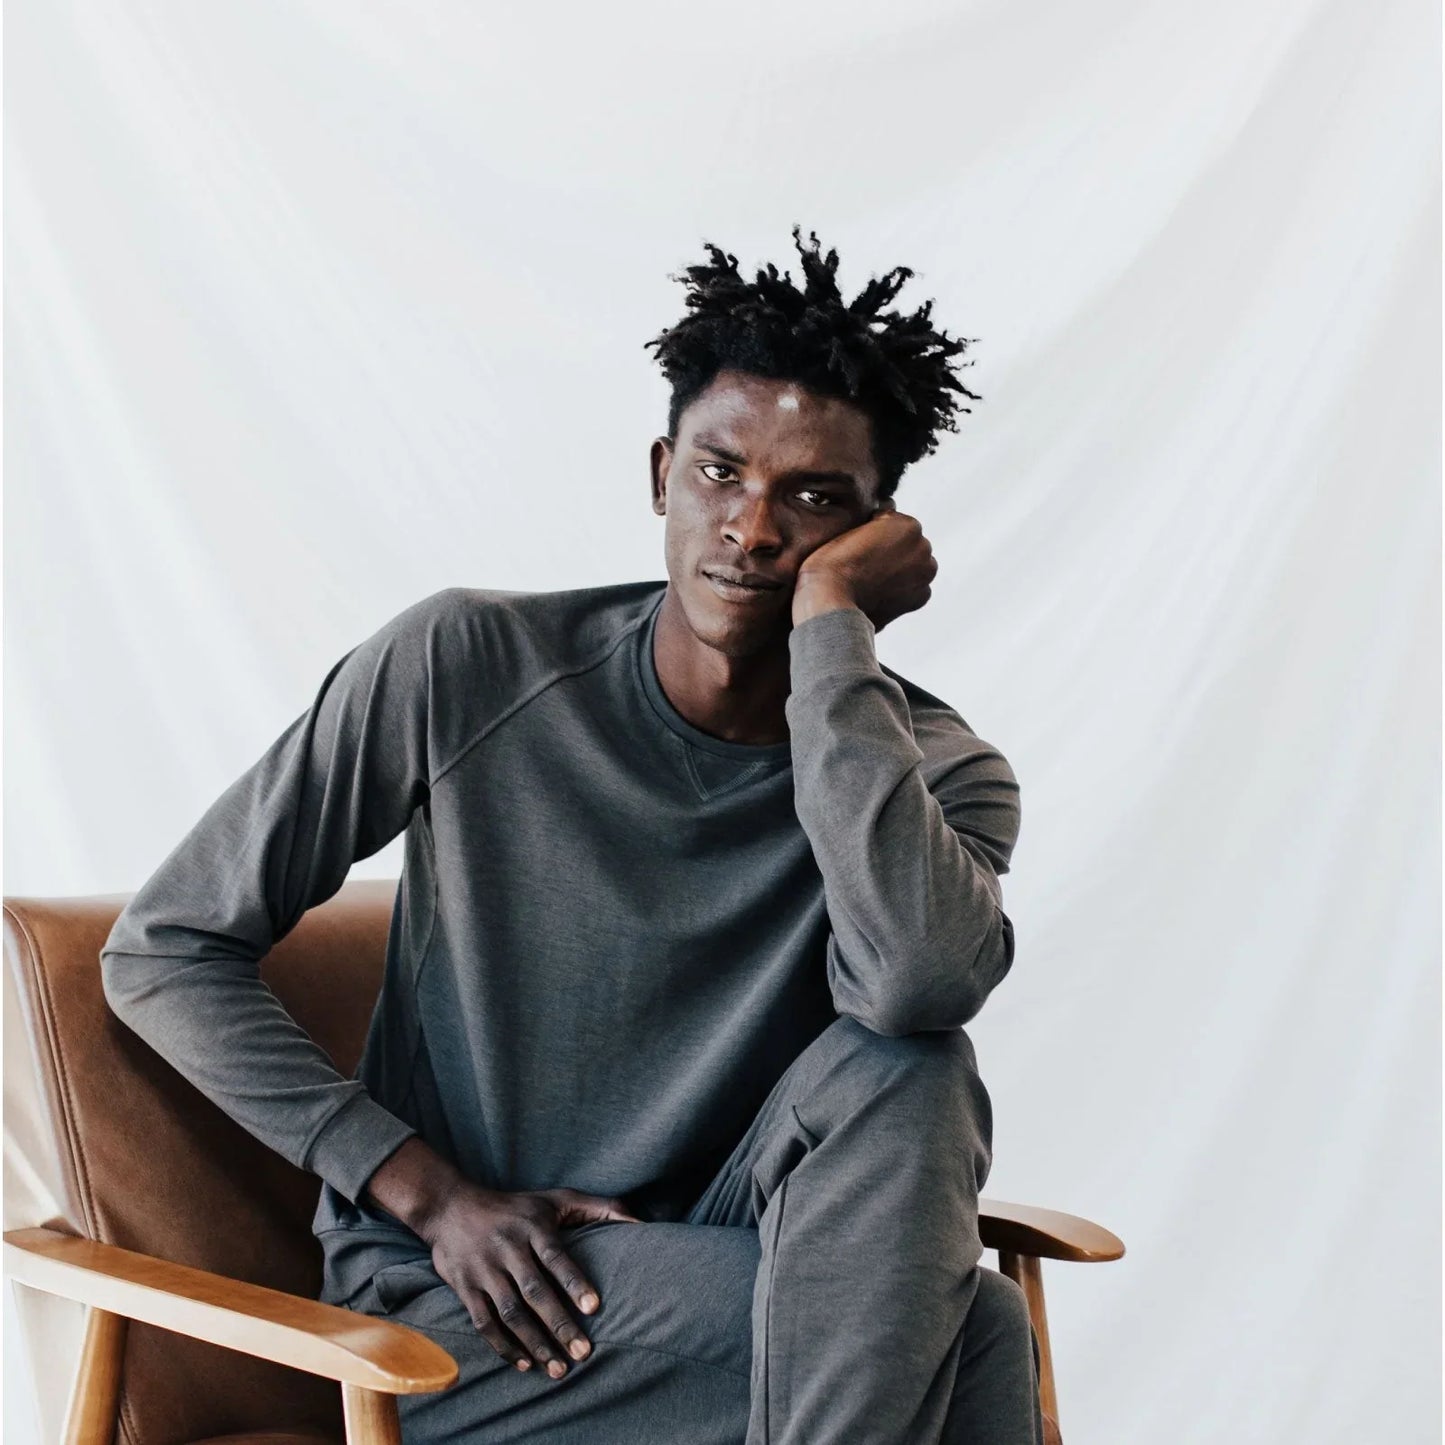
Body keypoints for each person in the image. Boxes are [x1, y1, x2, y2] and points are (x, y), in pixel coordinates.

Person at [100, 225, 1044, 1444]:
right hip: (479, 1297)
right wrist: (431, 1196)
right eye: (718, 473)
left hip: (728, 1244)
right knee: (970, 1330)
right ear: (660, 474)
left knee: (912, 1066)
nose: (751, 530)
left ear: (877, 539)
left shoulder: (936, 771)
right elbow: (162, 947)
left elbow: (915, 979)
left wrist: (828, 638)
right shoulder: (464, 665)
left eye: (811, 500)